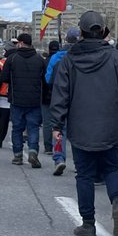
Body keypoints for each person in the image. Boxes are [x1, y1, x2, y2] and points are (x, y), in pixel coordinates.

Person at [51, 11, 118, 236]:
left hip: (80, 125)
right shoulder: (116, 57)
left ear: (81, 32)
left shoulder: (68, 60)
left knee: (85, 175)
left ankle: (88, 224)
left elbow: (60, 94)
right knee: (111, 168)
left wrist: (57, 125)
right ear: (103, 31)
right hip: (110, 122)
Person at [0, 33, 46, 167]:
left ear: (20, 43)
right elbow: (45, 80)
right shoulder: (39, 59)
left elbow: (4, 78)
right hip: (35, 100)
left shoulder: (12, 59)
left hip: (17, 100)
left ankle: (18, 155)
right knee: (33, 128)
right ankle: (32, 152)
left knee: (17, 129)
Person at [45, 28, 78, 176]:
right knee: (78, 132)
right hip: (79, 100)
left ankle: (59, 159)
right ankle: (79, 162)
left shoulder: (57, 57)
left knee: (59, 131)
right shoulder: (84, 56)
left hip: (59, 98)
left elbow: (48, 79)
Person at [0, 42, 16, 148]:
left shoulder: (2, 62)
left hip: (4, 94)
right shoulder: (19, 60)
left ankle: (0, 138)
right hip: (17, 94)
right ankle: (17, 141)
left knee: (3, 118)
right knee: (18, 119)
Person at [40, 40, 60, 161]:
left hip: (46, 97)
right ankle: (59, 148)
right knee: (61, 124)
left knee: (47, 122)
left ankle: (48, 147)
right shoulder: (65, 60)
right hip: (61, 97)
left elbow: (42, 80)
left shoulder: (45, 62)